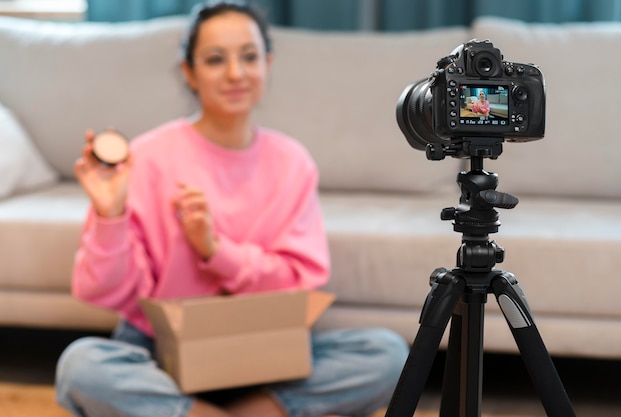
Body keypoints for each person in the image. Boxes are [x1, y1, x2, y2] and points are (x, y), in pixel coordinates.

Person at [55, 1, 409, 417]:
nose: (236, 73)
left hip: (264, 348)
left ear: (268, 63)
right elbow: (104, 292)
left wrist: (214, 250)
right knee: (80, 367)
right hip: (163, 353)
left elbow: (298, 284)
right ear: (189, 72)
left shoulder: (292, 162)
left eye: (249, 57)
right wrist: (110, 217)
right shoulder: (147, 157)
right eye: (215, 59)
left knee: (388, 354)